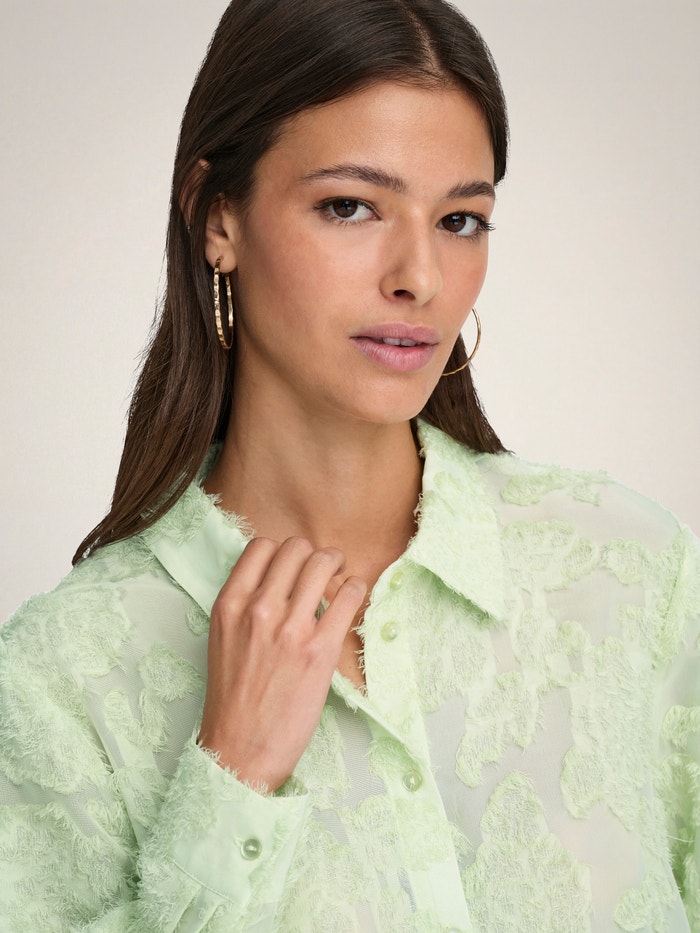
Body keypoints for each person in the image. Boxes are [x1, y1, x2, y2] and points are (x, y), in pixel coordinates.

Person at [0, 0, 697, 930]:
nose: (420, 276)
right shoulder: (58, 682)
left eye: (460, 220)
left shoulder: (631, 574)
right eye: (350, 206)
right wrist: (231, 780)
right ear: (217, 216)